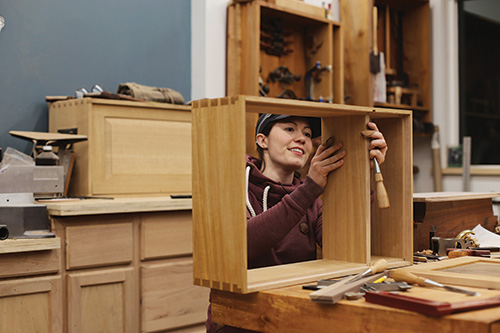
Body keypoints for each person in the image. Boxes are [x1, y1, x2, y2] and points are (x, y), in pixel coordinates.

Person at [207, 114, 388, 332]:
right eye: (290, 129)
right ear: (262, 140)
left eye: (307, 134)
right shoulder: (233, 184)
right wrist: (310, 189)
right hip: (239, 318)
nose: (301, 138)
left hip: (294, 314)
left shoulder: (312, 198)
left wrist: (362, 170)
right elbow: (241, 245)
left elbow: (345, 244)